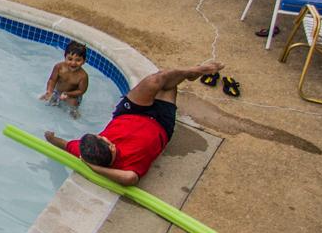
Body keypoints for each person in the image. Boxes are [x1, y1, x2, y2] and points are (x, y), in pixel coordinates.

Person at [45, 60, 218, 186]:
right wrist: (95, 168)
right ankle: (188, 74)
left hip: (129, 112)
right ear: (112, 148)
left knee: (156, 80)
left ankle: (191, 72)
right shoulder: (127, 167)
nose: (104, 136)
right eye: (105, 139)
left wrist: (50, 137)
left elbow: (65, 144)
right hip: (161, 125)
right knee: (167, 85)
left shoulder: (87, 150)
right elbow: (130, 179)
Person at [39, 40, 91, 117]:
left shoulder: (83, 76)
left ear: (84, 61)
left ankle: (74, 113)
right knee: (45, 100)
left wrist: (68, 94)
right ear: (65, 57)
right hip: (57, 91)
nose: (73, 63)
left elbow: (81, 91)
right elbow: (52, 80)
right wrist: (49, 91)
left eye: (78, 60)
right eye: (70, 59)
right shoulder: (59, 67)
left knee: (73, 105)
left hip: (72, 95)